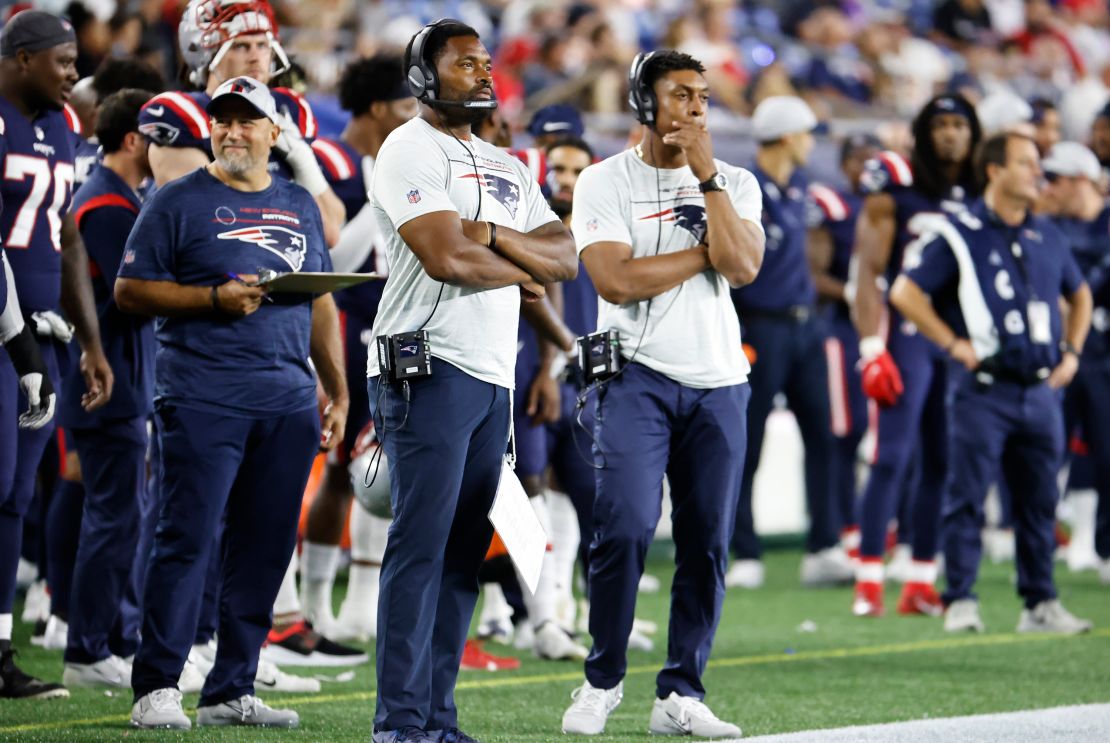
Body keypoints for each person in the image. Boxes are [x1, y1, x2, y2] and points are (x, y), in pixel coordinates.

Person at [115, 76, 345, 729]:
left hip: (287, 397)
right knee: (186, 539)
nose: (233, 131)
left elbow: (319, 298)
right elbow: (131, 290)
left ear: (277, 134)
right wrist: (211, 300)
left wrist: (337, 386)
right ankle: (157, 683)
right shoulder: (176, 201)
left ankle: (230, 687)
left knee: (267, 546)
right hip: (202, 395)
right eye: (223, 120)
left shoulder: (299, 201)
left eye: (249, 121)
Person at [368, 19, 576, 742]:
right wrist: (519, 258)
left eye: (487, 62)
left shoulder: (509, 165)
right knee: (420, 546)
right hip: (426, 364)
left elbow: (568, 255)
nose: (484, 74)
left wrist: (488, 234)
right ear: (425, 76)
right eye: (465, 64)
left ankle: (437, 718)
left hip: (493, 374)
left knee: (463, 555)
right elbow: (444, 259)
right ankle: (398, 722)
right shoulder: (407, 148)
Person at [139, 0, 362, 665]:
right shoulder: (179, 120)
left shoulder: (288, 124)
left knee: (263, 526)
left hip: (281, 357)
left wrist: (299, 156)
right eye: (238, 47)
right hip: (203, 356)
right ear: (205, 55)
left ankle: (241, 660)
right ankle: (170, 660)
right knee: (189, 522)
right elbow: (200, 226)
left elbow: (326, 234)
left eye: (262, 46)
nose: (255, 56)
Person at [561, 50, 763, 738]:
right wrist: (704, 251)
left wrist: (707, 179)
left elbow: (743, 267)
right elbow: (615, 281)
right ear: (643, 102)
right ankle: (603, 678)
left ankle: (681, 690)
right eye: (681, 95)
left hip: (719, 382)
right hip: (633, 378)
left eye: (703, 96)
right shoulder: (602, 181)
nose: (698, 108)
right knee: (622, 525)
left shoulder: (732, 179)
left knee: (707, 540)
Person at [890, 131, 1094, 635]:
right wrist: (953, 344)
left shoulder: (1046, 232)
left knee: (1040, 499)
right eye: (1026, 163)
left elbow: (1081, 295)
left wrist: (1071, 353)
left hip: (1040, 386)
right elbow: (905, 292)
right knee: (968, 495)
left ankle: (1040, 602)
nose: (1037, 172)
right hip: (983, 387)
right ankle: (961, 598)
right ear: (994, 171)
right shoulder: (960, 232)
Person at [0, 9, 113, 701]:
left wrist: (91, 341)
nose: (75, 74)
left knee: (14, 496)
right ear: (20, 58)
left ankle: (0, 648)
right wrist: (21, 342)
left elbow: (68, 237)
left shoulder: (62, 125)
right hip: (7, 335)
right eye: (63, 61)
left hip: (44, 334)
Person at [298, 53, 416, 643]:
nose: (415, 116)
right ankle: (310, 604)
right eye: (405, 105)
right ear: (377, 107)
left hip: (391, 329)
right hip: (341, 322)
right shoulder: (330, 161)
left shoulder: (394, 162)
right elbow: (328, 257)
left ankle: (356, 608)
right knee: (343, 470)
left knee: (378, 467)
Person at [850, 94, 982, 618]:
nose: (950, 134)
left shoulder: (981, 189)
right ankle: (868, 580)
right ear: (923, 132)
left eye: (959, 125)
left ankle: (921, 580)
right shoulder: (897, 184)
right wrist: (870, 346)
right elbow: (866, 268)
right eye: (941, 124)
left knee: (944, 460)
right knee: (892, 456)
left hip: (958, 339)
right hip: (906, 333)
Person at [727, 95, 852, 591]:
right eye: (805, 133)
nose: (811, 143)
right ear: (784, 136)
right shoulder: (742, 188)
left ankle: (823, 546)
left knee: (823, 437)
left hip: (807, 327)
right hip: (759, 327)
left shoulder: (801, 186)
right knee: (747, 444)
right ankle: (746, 552)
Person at [57, 89, 155, 690]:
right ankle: (88, 646)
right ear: (132, 140)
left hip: (119, 373)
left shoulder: (115, 197)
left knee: (121, 514)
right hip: (107, 376)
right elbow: (135, 291)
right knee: (114, 516)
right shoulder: (107, 205)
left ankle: (109, 637)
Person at [807, 133, 882, 561]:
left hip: (885, 327)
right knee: (845, 432)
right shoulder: (832, 206)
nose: (866, 169)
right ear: (844, 164)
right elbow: (816, 275)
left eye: (873, 160)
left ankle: (885, 525)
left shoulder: (888, 203)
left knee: (887, 433)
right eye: (859, 160)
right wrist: (862, 294)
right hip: (842, 330)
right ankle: (846, 525)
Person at [1040, 142, 1110, 582]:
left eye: (1056, 179)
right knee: (1042, 453)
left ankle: (1104, 549)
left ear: (1080, 180)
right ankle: (1036, 545)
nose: (1047, 188)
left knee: (1108, 455)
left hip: (1103, 357)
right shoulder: (1047, 229)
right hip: (1060, 355)